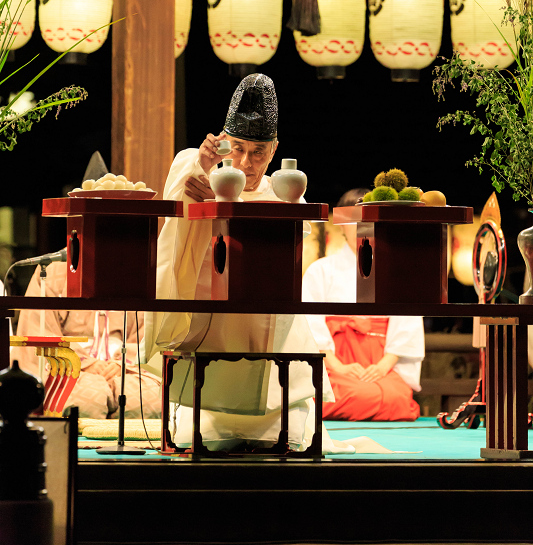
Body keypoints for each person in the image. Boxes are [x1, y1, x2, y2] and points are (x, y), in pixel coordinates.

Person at [142, 73, 336, 452]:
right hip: (207, 330)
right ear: (222, 142)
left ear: (275, 148)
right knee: (194, 432)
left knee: (293, 434)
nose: (246, 163)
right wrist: (201, 168)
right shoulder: (200, 168)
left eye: (259, 152)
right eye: (238, 149)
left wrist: (227, 205)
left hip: (268, 342)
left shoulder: (284, 189)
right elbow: (177, 209)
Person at [302, 188, 425, 422]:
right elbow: (311, 323)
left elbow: (406, 322)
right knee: (339, 393)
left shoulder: (396, 273)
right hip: (334, 362)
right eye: (354, 218)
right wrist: (336, 365)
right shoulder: (321, 270)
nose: (362, 225)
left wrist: (383, 366)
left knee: (396, 398)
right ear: (340, 223)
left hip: (381, 363)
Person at [13, 261, 161, 419]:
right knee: (87, 403)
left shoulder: (139, 276)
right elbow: (41, 329)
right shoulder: (52, 273)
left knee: (144, 401)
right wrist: (87, 363)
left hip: (126, 367)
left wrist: (121, 364)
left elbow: (148, 333)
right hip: (69, 365)